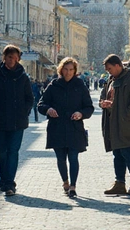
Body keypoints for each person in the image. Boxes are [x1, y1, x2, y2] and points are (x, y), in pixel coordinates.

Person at [38, 57, 94, 198]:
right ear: (61, 70)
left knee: (73, 157)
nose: (68, 72)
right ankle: (65, 181)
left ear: (75, 71)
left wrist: (80, 114)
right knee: (61, 158)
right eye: (66, 69)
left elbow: (89, 107)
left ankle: (73, 186)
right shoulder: (54, 85)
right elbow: (41, 104)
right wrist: (48, 110)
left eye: (71, 70)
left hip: (74, 127)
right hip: (57, 127)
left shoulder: (80, 86)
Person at [0, 45, 34, 196]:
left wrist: (23, 112)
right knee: (2, 151)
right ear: (4, 58)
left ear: (18, 59)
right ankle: (3, 179)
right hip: (0, 122)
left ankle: (9, 183)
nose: (12, 60)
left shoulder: (23, 77)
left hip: (18, 122)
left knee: (13, 151)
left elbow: (29, 99)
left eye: (15, 57)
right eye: (9, 57)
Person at [99, 54, 130, 195]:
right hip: (113, 122)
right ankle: (119, 183)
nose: (108, 72)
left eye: (110, 69)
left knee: (128, 152)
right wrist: (103, 102)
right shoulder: (111, 79)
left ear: (117, 65)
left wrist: (128, 114)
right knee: (118, 154)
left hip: (127, 123)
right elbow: (104, 95)